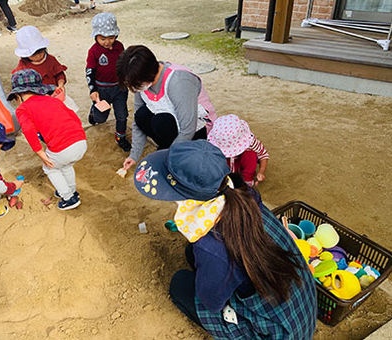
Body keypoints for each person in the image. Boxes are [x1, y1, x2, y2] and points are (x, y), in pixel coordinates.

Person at [133, 140, 317, 339]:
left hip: (279, 332)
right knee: (191, 253)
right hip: (301, 306)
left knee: (180, 284)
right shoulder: (242, 194)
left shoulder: (212, 248)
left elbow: (211, 302)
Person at [117, 45, 218, 171]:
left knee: (161, 121)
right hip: (171, 122)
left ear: (146, 75)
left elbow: (188, 128)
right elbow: (138, 121)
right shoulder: (141, 81)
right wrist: (134, 155)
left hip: (197, 130)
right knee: (142, 115)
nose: (133, 89)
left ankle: (174, 153)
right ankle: (167, 147)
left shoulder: (178, 81)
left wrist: (167, 158)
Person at [8, 69, 87, 210]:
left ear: (18, 95)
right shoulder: (51, 100)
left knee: (50, 168)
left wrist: (40, 153)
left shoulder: (23, 109)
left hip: (62, 147)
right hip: (80, 140)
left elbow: (28, 131)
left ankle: (68, 198)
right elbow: (73, 116)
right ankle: (71, 190)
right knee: (66, 165)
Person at [85, 13, 130, 152]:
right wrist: (93, 90)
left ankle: (120, 136)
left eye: (111, 38)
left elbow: (124, 65)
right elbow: (89, 71)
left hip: (119, 88)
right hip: (102, 89)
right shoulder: (94, 51)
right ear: (96, 36)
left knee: (122, 115)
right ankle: (94, 113)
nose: (107, 42)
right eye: (103, 38)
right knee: (101, 118)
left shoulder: (120, 47)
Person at [12, 26, 78, 112]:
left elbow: (59, 74)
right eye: (33, 54)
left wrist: (60, 84)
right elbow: (21, 89)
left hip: (56, 95)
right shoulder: (22, 68)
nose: (38, 56)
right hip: (38, 102)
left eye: (40, 52)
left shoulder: (50, 59)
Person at [208, 114, 269, 187]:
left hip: (241, 167)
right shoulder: (212, 146)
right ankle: (223, 180)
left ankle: (247, 180)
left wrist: (261, 172)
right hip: (225, 170)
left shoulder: (251, 142)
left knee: (250, 155)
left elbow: (263, 154)